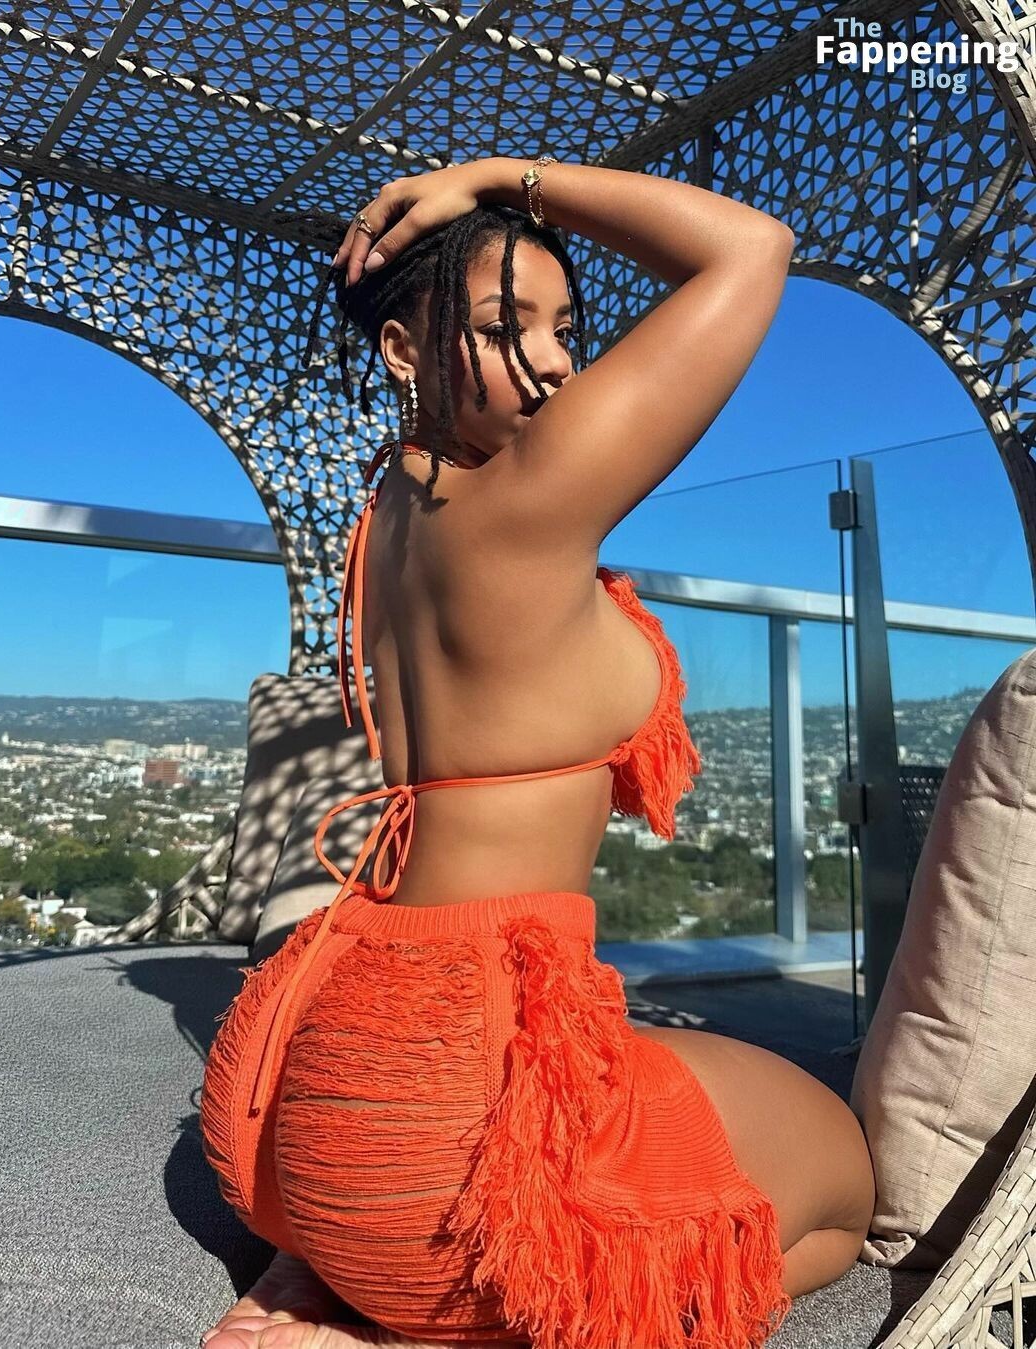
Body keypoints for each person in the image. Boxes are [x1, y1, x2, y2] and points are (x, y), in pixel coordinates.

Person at [199, 155, 876, 1349]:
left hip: (316, 1096)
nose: (557, 362)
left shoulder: (387, 512)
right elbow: (750, 248)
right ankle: (461, 1318)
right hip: (446, 1148)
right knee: (841, 1190)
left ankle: (341, 1275)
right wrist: (500, 178)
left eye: (567, 328)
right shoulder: (527, 495)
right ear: (404, 350)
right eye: (507, 326)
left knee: (679, 1065)